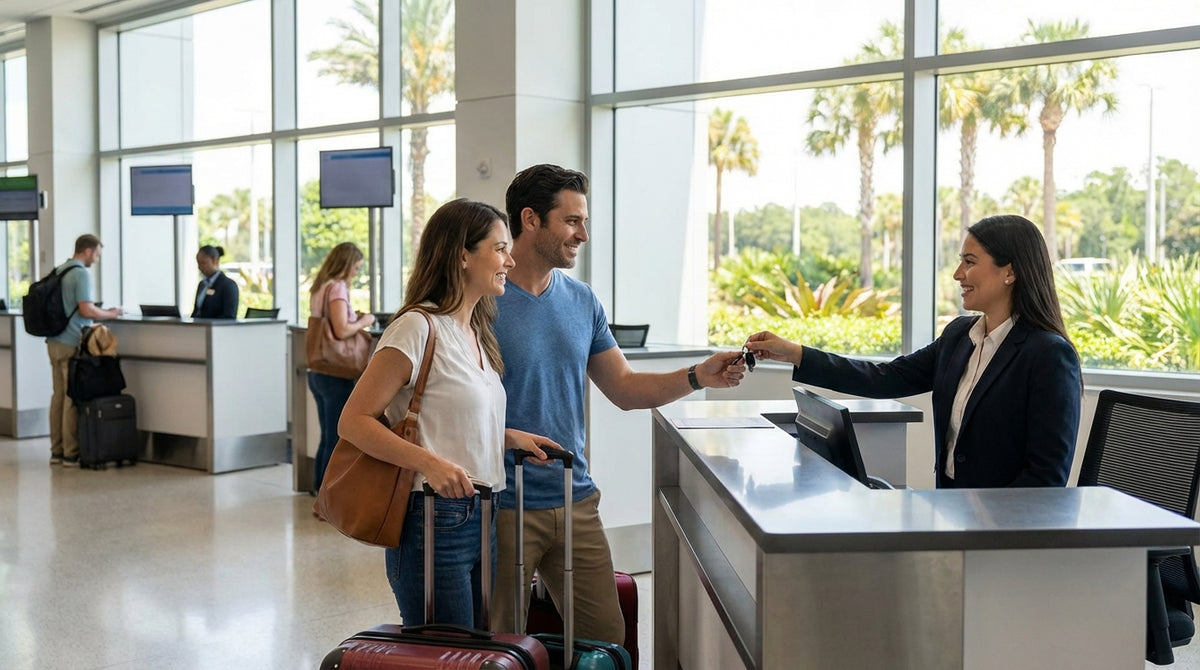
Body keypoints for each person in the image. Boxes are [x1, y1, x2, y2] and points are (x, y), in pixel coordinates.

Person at [491, 164, 746, 643]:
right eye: (571, 221)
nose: (583, 234)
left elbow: (625, 388)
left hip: (575, 498)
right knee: (501, 645)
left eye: (583, 221)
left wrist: (697, 376)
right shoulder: (483, 301)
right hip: (503, 504)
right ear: (530, 219)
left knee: (607, 641)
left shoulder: (582, 300)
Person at [337, 199, 560, 628]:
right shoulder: (417, 327)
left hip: (486, 510)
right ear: (462, 255)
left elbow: (450, 414)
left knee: (473, 650)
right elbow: (354, 421)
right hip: (433, 518)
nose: (510, 261)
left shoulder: (476, 331)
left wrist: (506, 436)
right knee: (450, 653)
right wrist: (430, 463)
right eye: (499, 249)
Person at [745, 214, 1082, 489]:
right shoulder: (959, 336)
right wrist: (796, 353)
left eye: (970, 262)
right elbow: (885, 379)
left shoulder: (1048, 355)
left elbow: (1046, 479)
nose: (957, 274)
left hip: (1004, 537)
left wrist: (980, 522)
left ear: (1010, 272)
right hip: (952, 516)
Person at [46, 234, 123, 466]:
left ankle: (56, 451)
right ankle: (71, 453)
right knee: (72, 396)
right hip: (72, 342)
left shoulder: (59, 271)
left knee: (58, 396)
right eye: (97, 254)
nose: (96, 260)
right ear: (88, 251)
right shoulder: (80, 274)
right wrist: (111, 314)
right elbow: (87, 310)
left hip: (54, 341)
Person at [307, 242, 375, 493]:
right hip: (337, 373)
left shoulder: (320, 288)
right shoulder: (337, 288)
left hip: (319, 371)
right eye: (356, 268)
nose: (356, 273)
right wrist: (365, 321)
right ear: (345, 265)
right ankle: (328, 495)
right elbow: (341, 330)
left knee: (327, 435)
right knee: (336, 438)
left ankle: (319, 489)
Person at [191, 244, 239, 319]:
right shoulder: (202, 284)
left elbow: (229, 316)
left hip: (216, 329)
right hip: (198, 329)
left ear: (215, 261)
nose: (199, 267)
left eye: (203, 263)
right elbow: (197, 311)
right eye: (198, 263)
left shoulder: (228, 285)